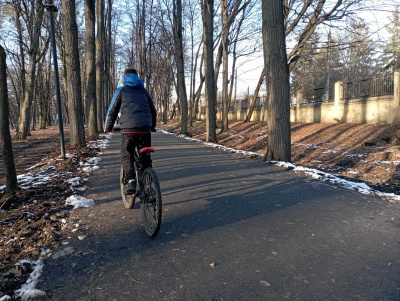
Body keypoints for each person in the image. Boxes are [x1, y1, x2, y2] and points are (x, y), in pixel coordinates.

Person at [105, 68, 157, 194]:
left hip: (129, 129)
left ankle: (131, 180)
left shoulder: (121, 90)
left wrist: (108, 127)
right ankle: (148, 181)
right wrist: (152, 126)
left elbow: (113, 110)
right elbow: (153, 110)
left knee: (126, 154)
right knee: (145, 156)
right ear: (137, 76)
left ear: (125, 77)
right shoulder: (145, 91)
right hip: (145, 129)